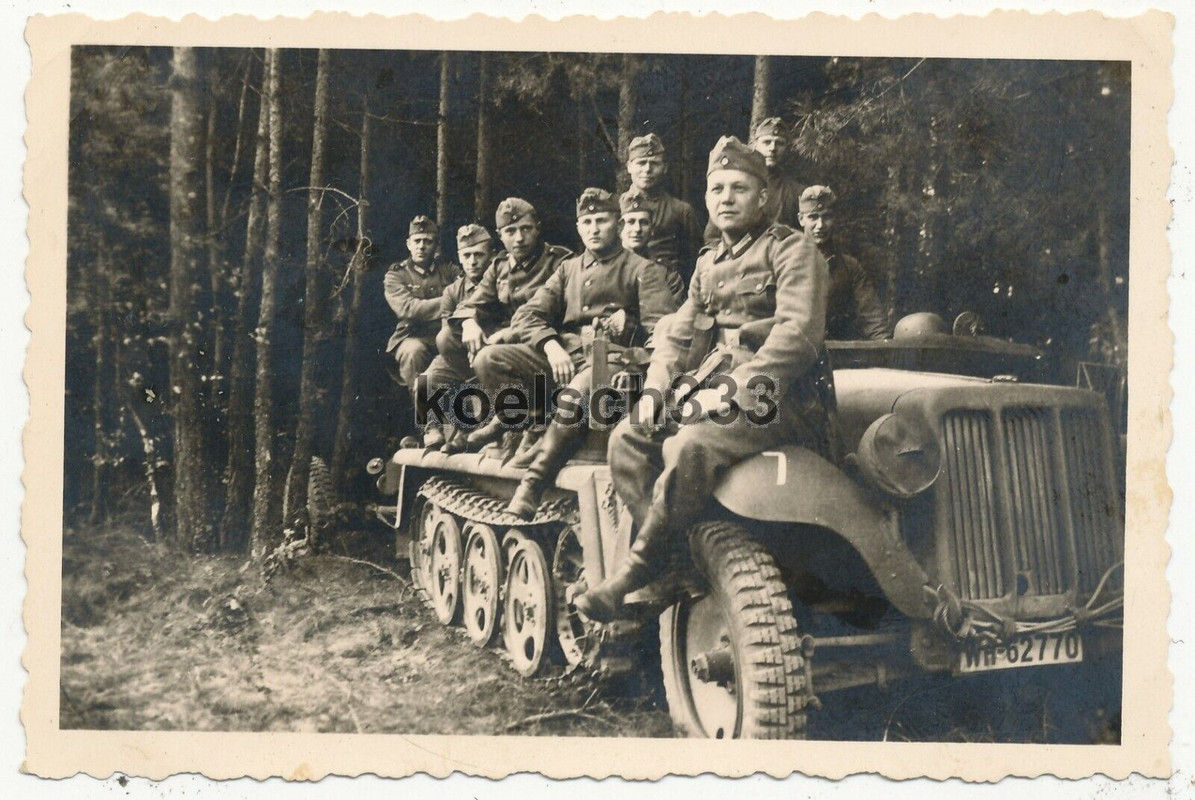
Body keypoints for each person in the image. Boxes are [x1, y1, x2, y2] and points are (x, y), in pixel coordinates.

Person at [574, 136, 839, 623]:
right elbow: (678, 336)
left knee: (690, 444)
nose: (726, 198)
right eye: (717, 189)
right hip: (714, 388)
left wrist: (733, 394)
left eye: (740, 188)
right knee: (629, 438)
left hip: (781, 398)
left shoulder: (792, 250)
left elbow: (797, 338)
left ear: (763, 197)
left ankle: (638, 568)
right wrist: (655, 390)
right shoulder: (707, 263)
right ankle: (676, 562)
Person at [471, 187, 677, 518]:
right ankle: (534, 428)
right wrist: (551, 345)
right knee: (489, 359)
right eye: (587, 222)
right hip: (565, 354)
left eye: (602, 220)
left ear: (618, 223)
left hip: (612, 362)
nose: (594, 229)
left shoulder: (642, 269)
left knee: (580, 390)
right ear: (578, 227)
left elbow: (663, 332)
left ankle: (533, 484)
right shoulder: (569, 269)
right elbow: (528, 315)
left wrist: (632, 346)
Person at [449, 197, 573, 452]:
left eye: (526, 229)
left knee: (488, 356)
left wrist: (508, 333)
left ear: (537, 228)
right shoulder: (499, 265)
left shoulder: (558, 261)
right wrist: (470, 323)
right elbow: (471, 303)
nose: (519, 238)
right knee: (448, 339)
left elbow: (557, 317)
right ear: (500, 236)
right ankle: (504, 415)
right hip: (515, 349)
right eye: (511, 231)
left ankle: (518, 421)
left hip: (548, 345)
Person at [417, 223, 495, 449]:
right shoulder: (452, 292)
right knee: (427, 378)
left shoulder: (499, 282)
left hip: (491, 347)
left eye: (479, 255)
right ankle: (430, 427)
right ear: (460, 258)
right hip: (459, 353)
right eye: (467, 255)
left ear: (490, 255)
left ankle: (465, 430)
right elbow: (447, 332)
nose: (472, 261)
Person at [798, 185, 891, 341]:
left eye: (826, 216)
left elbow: (873, 318)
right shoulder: (785, 263)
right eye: (813, 217)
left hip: (838, 354)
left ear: (834, 218)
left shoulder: (850, 267)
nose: (820, 225)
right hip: (796, 355)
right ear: (801, 219)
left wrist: (885, 349)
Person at [383, 215, 461, 399]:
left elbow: (466, 290)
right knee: (413, 352)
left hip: (446, 332)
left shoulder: (448, 269)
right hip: (412, 335)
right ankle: (428, 421)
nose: (421, 246)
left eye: (427, 241)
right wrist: (449, 300)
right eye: (417, 241)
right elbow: (408, 309)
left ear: (436, 245)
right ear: (408, 244)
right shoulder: (396, 275)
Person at [703, 116, 807, 243]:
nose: (773, 148)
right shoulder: (735, 185)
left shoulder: (797, 191)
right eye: (767, 142)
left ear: (787, 148)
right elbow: (712, 237)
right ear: (755, 145)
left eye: (779, 143)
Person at [623, 133, 704, 285]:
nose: (647, 169)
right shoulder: (616, 208)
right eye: (641, 163)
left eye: (654, 163)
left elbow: (696, 260)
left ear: (665, 168)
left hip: (668, 288)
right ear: (629, 167)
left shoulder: (681, 211)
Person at [620, 189, 687, 306]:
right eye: (631, 222)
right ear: (619, 228)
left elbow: (675, 313)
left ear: (652, 230)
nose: (637, 229)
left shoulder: (666, 273)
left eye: (644, 222)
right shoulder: (608, 269)